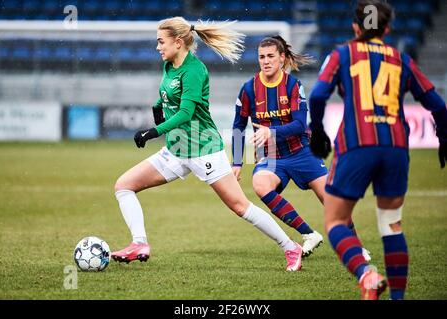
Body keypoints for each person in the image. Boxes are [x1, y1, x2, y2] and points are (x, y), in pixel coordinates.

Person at [111, 17, 304, 272]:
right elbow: (166, 96)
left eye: (161, 41)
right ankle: (139, 244)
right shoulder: (169, 64)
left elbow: (186, 112)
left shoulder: (194, 70)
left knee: (240, 207)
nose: (157, 47)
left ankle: (291, 247)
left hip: (204, 150)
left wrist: (153, 131)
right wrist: (158, 109)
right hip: (177, 149)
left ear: (178, 43)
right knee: (124, 186)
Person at [308, 0, 447, 300]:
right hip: (396, 146)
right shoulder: (402, 60)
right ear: (387, 28)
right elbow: (438, 105)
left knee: (335, 221)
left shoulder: (342, 54)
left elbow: (318, 94)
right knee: (391, 225)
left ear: (355, 27)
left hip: (357, 144)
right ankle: (397, 297)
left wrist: (317, 131)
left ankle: (367, 275)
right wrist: (444, 137)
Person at [231, 36, 371, 260]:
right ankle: (309, 234)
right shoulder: (249, 89)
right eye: (261, 57)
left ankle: (355, 246)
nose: (265, 61)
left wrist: (271, 132)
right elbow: (238, 125)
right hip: (273, 157)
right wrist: (237, 162)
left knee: (331, 201)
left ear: (282, 58)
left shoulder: (293, 85)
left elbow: (298, 125)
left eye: (270, 56)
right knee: (259, 183)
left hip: (302, 152)